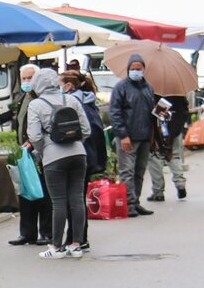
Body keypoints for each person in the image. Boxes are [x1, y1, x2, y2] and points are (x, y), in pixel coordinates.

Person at [27, 68, 90, 259]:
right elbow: (86, 130)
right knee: (77, 199)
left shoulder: (36, 105)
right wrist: (75, 144)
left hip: (53, 157)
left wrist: (43, 149)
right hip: (78, 154)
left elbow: (35, 136)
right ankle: (76, 245)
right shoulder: (71, 100)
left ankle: (56, 247)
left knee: (58, 202)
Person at [60, 70, 106, 251]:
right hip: (88, 155)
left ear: (69, 85)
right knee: (77, 197)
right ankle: (78, 237)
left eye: (60, 83)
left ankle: (76, 238)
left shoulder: (74, 103)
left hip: (76, 154)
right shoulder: (88, 100)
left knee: (73, 199)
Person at [8, 64, 52, 246]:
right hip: (25, 152)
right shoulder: (22, 98)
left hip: (40, 151)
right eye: (24, 78)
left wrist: (34, 143)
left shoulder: (41, 98)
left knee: (43, 192)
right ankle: (27, 233)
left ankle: (47, 232)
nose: (27, 82)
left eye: (30, 78)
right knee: (26, 192)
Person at [109, 54, 157, 217]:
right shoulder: (120, 88)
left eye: (139, 68)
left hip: (144, 136)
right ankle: (128, 203)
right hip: (127, 136)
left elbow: (151, 111)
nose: (136, 71)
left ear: (144, 69)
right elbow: (114, 113)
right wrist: (123, 135)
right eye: (133, 69)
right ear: (128, 69)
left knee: (139, 171)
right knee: (126, 171)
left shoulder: (148, 88)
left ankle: (135, 202)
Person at [146, 95, 190, 201]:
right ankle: (180, 184)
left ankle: (158, 191)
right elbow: (185, 111)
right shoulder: (179, 94)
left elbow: (149, 113)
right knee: (174, 156)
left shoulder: (153, 93)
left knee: (154, 158)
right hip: (176, 131)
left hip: (158, 131)